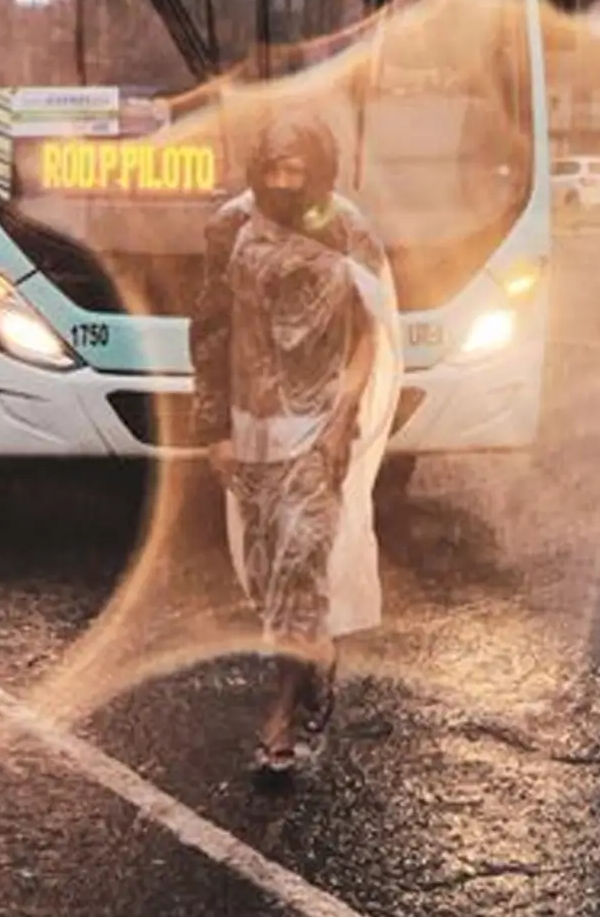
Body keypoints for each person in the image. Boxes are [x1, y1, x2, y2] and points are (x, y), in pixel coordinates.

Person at [189, 114, 401, 776]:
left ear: (320, 171)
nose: (284, 183)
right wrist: (214, 431)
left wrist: (342, 420)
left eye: (297, 171)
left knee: (300, 568)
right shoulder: (230, 227)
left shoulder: (346, 229)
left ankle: (279, 717)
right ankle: (320, 665)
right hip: (251, 433)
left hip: (318, 433)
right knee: (266, 572)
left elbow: (373, 333)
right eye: (273, 170)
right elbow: (210, 331)